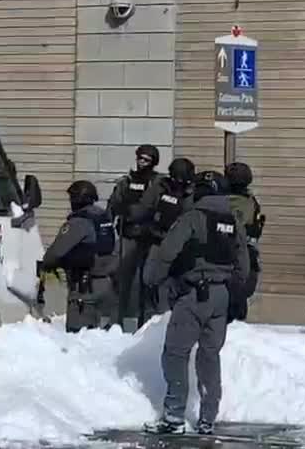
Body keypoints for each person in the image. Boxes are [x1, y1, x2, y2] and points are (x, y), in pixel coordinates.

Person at [142, 170, 250, 435]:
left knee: (176, 354)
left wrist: (152, 280)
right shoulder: (233, 220)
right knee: (210, 355)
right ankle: (207, 418)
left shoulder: (192, 218)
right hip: (221, 296)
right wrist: (234, 292)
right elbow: (243, 263)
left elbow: (167, 252)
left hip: (193, 294)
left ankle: (174, 417)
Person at [42, 180, 117, 332]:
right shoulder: (103, 217)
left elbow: (55, 253)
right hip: (107, 286)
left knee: (78, 339)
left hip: (84, 288)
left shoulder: (79, 222)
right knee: (103, 340)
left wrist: (47, 264)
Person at [131, 157, 197, 320]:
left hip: (166, 244)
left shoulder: (163, 187)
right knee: (159, 284)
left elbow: (141, 210)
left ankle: (155, 321)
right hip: (170, 244)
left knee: (154, 283)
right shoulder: (179, 189)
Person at [107, 144, 163, 332]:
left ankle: (144, 326)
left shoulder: (158, 183)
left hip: (149, 239)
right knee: (120, 279)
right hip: (128, 236)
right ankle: (117, 323)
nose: (141, 162)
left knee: (145, 283)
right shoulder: (126, 182)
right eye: (139, 158)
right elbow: (112, 206)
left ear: (153, 162)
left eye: (146, 160)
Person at [225, 161, 267, 322]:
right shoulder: (247, 201)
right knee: (239, 297)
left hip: (234, 253)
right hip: (241, 252)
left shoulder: (225, 199)